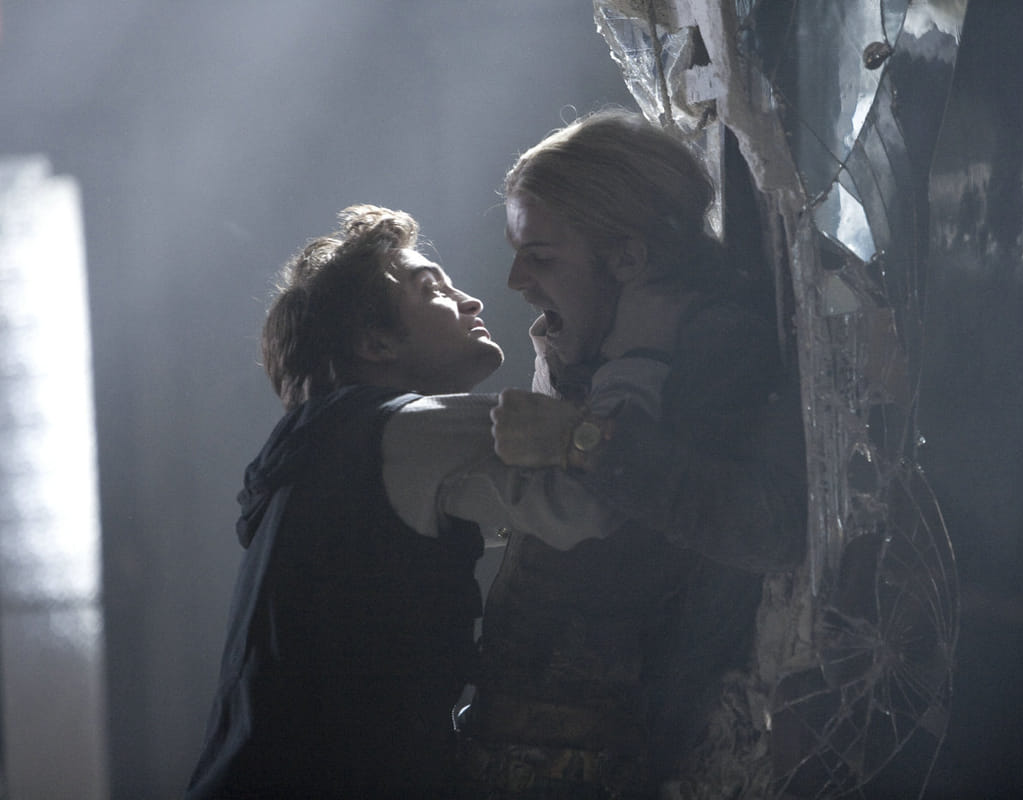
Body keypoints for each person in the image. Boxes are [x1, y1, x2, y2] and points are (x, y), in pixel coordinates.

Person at [186, 204, 640, 799]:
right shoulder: (407, 429)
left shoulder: (308, 460)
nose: (471, 301)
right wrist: (604, 344)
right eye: (433, 290)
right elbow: (592, 508)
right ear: (375, 342)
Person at [458, 109, 809, 798]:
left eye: (541, 256)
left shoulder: (715, 344)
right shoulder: (609, 345)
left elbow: (768, 527)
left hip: (628, 758)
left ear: (628, 259)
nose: (516, 281)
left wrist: (581, 438)